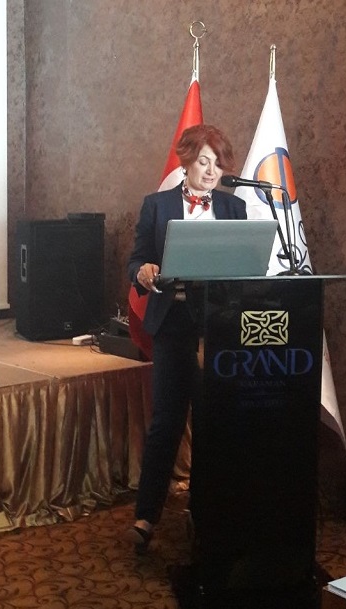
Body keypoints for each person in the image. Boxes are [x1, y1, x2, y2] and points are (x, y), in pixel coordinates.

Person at [126, 124, 247, 554]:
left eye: (218, 164)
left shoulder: (234, 208)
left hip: (219, 327)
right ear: (186, 162)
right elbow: (136, 261)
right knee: (167, 421)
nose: (212, 171)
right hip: (174, 324)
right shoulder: (157, 206)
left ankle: (205, 511)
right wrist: (143, 272)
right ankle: (146, 516)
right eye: (203, 161)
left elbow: (244, 267)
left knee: (214, 423)